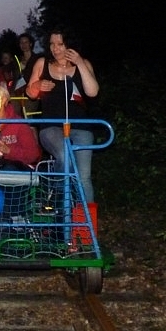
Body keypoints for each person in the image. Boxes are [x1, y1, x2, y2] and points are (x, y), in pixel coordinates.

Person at [25, 25, 100, 202]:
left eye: (60, 44)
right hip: (51, 126)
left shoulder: (84, 63)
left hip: (80, 126)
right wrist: (37, 86)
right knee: (64, 154)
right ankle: (57, 194)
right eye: (52, 44)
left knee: (84, 178)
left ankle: (85, 225)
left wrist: (80, 63)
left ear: (70, 45)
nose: (55, 48)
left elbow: (92, 92)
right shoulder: (42, 63)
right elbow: (30, 93)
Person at [0, 83, 41, 168]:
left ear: (4, 100)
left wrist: (8, 151)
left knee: (8, 168)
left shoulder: (19, 123)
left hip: (15, 170)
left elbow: (33, 155)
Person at [15, 33, 41, 115]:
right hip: (18, 93)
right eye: (21, 43)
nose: (24, 45)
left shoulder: (37, 59)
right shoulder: (17, 60)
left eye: (26, 42)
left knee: (29, 118)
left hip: (31, 93)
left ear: (30, 44)